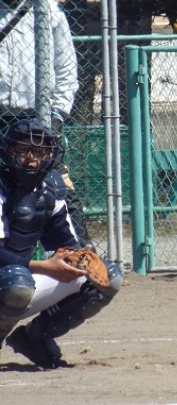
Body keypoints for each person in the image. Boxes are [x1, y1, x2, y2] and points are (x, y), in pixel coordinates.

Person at [0, 119, 123, 369]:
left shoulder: (50, 188)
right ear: (8, 150)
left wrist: (80, 259)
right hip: (11, 282)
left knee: (107, 277)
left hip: (13, 281)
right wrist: (44, 266)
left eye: (40, 151)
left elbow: (66, 243)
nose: (32, 159)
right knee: (17, 284)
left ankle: (34, 338)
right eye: (24, 149)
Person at [0, 0, 91, 248]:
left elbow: (66, 69)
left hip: (37, 115)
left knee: (58, 185)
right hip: (1, 115)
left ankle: (79, 254)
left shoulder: (49, 11)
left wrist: (57, 116)